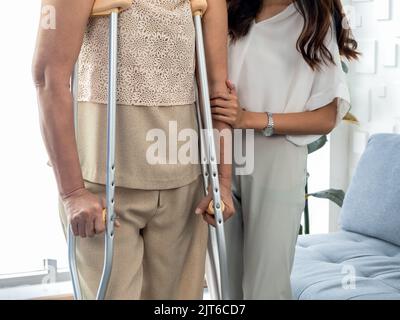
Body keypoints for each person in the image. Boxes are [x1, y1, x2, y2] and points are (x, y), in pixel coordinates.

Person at [32, 0, 234, 300]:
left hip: (184, 186)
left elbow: (217, 93)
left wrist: (224, 181)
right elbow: (48, 77)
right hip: (104, 185)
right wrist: (72, 193)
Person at [210, 0, 359, 299]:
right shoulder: (227, 8)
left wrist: (251, 119)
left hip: (278, 156)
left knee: (265, 288)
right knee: (224, 287)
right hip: (218, 151)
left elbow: (328, 115)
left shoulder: (315, 20)